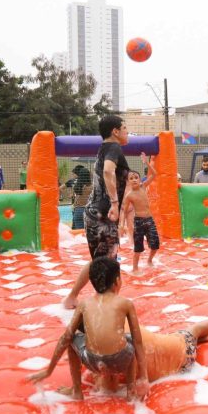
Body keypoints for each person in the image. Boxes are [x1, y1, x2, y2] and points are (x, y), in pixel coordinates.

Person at [28, 257, 149, 401]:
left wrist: (48, 371)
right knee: (130, 340)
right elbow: (138, 342)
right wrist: (143, 377)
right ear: (117, 281)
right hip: (120, 361)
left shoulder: (84, 304)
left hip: (92, 361)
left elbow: (65, 337)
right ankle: (131, 392)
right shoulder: (126, 303)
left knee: (72, 339)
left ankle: (77, 391)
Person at [62, 115, 129, 309]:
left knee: (99, 261)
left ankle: (72, 298)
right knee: (109, 264)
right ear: (115, 132)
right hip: (104, 214)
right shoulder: (114, 148)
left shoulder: (103, 149)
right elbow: (108, 172)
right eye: (124, 128)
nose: (127, 132)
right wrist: (115, 204)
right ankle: (105, 307)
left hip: (92, 212)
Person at [120, 154, 159, 274]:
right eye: (131, 178)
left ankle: (149, 260)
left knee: (155, 245)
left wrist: (147, 163)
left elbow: (154, 174)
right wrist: (122, 225)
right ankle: (135, 268)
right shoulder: (129, 195)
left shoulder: (143, 187)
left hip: (149, 219)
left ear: (139, 179)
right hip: (139, 222)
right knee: (138, 248)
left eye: (136, 177)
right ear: (128, 181)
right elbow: (124, 211)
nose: (134, 179)